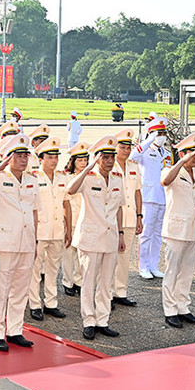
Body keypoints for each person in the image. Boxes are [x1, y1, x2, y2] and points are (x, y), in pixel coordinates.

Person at [0, 133, 38, 352]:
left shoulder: (32, 179)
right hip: (6, 241)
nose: (23, 159)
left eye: (25, 155)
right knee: (0, 289)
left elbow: (34, 211)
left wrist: (35, 240)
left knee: (21, 289)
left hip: (27, 241)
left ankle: (14, 330)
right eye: (18, 155)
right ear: (8, 157)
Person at [66, 135, 126, 341]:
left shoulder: (118, 178)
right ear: (97, 157)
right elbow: (70, 189)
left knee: (106, 282)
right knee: (88, 281)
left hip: (109, 237)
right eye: (105, 157)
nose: (110, 161)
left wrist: (121, 234)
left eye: (112, 157)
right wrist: (88, 167)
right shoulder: (88, 177)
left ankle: (103, 320)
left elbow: (119, 208)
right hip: (90, 237)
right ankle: (88, 321)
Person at [160, 133, 195, 328]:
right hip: (176, 229)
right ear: (182, 154)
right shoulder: (170, 170)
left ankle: (183, 308)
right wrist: (181, 162)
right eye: (192, 153)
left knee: (187, 271)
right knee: (172, 271)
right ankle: (170, 310)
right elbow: (165, 181)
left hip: (193, 229)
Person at [28, 136, 70, 321]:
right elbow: (30, 206)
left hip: (57, 229)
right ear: (41, 159)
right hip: (40, 230)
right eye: (50, 157)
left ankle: (51, 302)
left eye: (55, 157)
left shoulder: (62, 177)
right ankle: (35, 304)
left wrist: (68, 227)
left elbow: (66, 203)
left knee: (53, 268)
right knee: (35, 269)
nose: (53, 160)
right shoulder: (33, 178)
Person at [130, 117, 173, 279]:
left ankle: (154, 265)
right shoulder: (144, 151)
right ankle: (143, 267)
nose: (162, 136)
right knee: (146, 234)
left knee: (157, 235)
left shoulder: (167, 154)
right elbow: (133, 156)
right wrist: (149, 138)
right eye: (158, 133)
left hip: (162, 197)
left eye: (163, 133)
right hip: (148, 198)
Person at [112, 129, 143, 307]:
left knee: (124, 257)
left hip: (130, 218)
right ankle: (106, 294)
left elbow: (137, 192)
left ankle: (120, 291)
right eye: (122, 147)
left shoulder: (133, 166)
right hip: (113, 219)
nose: (126, 151)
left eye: (128, 147)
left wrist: (140, 216)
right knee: (110, 258)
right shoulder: (109, 166)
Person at [61, 142, 89, 296]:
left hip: (84, 220)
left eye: (85, 160)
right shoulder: (66, 177)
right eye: (80, 160)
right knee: (68, 253)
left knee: (81, 254)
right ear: (73, 161)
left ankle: (79, 280)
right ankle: (67, 281)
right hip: (71, 219)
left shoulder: (89, 177)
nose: (83, 163)